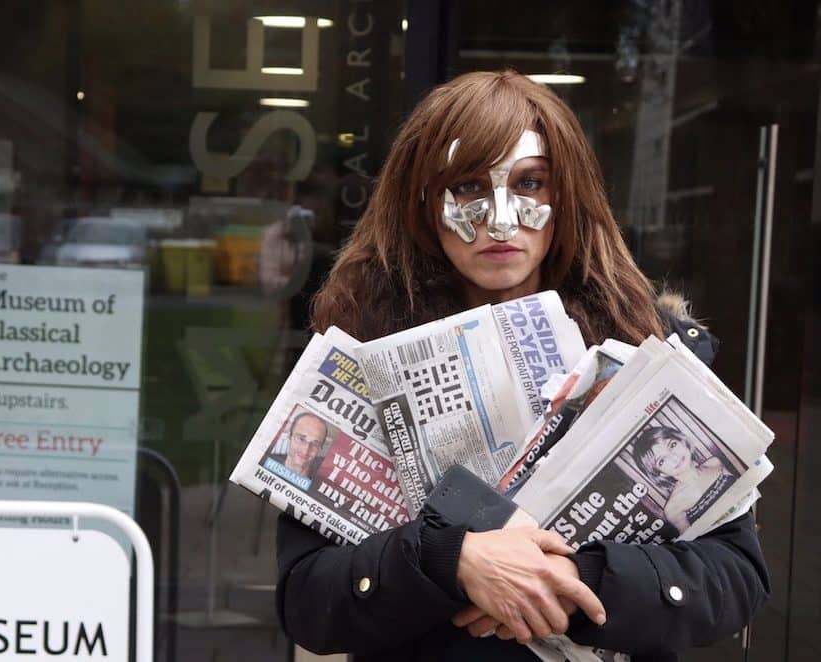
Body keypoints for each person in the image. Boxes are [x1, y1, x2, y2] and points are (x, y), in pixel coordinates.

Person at [276, 70, 767, 661]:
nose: (500, 220)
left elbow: (735, 575)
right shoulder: (359, 351)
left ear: (568, 196)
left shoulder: (650, 350)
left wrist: (573, 581)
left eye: (531, 183)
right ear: (423, 202)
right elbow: (307, 599)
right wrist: (448, 560)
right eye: (466, 187)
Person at [631, 426, 735, 534]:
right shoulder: (673, 509)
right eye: (662, 460)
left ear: (683, 441)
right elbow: (697, 544)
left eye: (672, 445)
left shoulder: (715, 463)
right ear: (660, 474)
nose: (674, 457)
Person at [269, 411, 329, 479]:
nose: (306, 450)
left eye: (315, 444)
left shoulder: (322, 478)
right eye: (301, 439)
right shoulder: (267, 460)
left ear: (320, 448)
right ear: (290, 436)